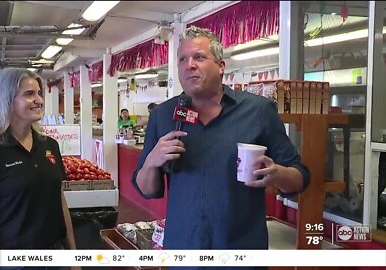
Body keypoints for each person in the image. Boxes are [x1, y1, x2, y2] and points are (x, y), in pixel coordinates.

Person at [132, 26, 310, 258]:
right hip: (184, 248)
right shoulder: (163, 116)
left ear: (221, 66)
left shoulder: (258, 111)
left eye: (199, 57)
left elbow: (300, 178)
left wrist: (276, 174)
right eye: (182, 59)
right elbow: (147, 190)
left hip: (242, 250)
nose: (189, 65)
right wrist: (151, 162)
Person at [0, 68, 77, 270]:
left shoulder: (50, 146)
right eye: (29, 94)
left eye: (38, 93)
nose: (39, 100)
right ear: (7, 101)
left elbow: (60, 203)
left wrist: (73, 258)